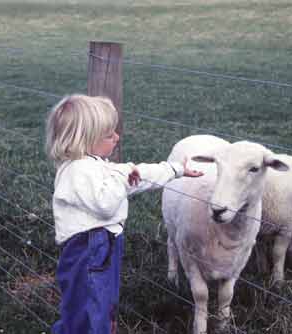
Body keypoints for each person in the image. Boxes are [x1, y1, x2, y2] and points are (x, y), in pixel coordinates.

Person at [46, 94, 203, 334]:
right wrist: (123, 179)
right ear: (85, 140)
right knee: (91, 306)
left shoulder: (92, 164)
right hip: (90, 249)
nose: (117, 137)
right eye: (109, 135)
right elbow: (106, 203)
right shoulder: (79, 171)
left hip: (99, 247)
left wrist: (175, 170)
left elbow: (137, 175)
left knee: (95, 303)